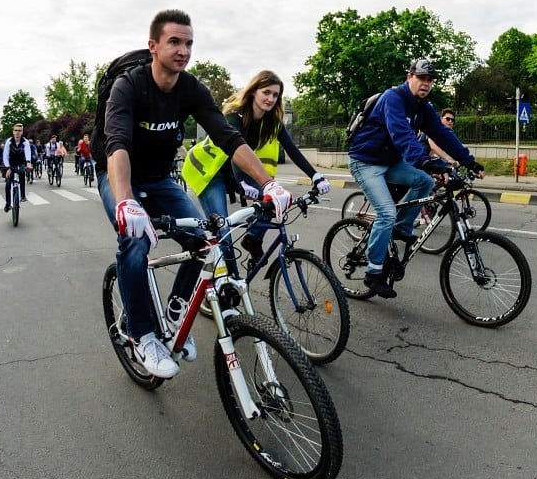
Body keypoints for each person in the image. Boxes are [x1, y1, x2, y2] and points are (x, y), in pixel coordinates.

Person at [95, 8, 292, 379]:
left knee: (204, 242)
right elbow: (117, 142)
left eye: (188, 43)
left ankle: (176, 308)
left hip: (158, 177)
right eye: (174, 42)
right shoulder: (130, 86)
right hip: (119, 174)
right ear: (152, 46)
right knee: (134, 240)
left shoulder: (191, 88)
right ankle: (142, 335)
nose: (183, 50)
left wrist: (269, 183)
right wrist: (126, 202)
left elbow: (227, 135)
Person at [346, 59, 483, 299]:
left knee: (426, 182)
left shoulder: (424, 108)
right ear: (409, 76)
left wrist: (468, 160)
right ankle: (373, 273)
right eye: (422, 78)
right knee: (386, 212)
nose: (426, 84)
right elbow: (400, 134)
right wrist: (424, 161)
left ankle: (401, 228)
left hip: (389, 163)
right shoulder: (393, 98)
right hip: (365, 162)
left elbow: (442, 135)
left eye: (430, 80)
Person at [183, 69, 331, 275]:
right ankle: (227, 284)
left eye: (275, 95)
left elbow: (292, 149)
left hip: (237, 173)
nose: (270, 99)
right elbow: (234, 147)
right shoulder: (234, 116)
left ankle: (252, 239)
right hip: (210, 172)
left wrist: (315, 175)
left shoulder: (271, 121)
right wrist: (242, 183)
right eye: (266, 92)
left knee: (273, 203)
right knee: (222, 231)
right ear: (254, 91)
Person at [1, 123, 32, 213]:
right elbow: (5, 156)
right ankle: (8, 204)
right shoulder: (9, 142)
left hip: (21, 163)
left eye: (19, 131)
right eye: (16, 130)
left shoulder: (25, 142)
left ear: (22, 132)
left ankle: (22, 196)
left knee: (22, 172)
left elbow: (27, 152)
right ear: (13, 132)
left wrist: (28, 162)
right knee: (7, 184)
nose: (17, 132)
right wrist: (7, 168)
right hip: (10, 164)